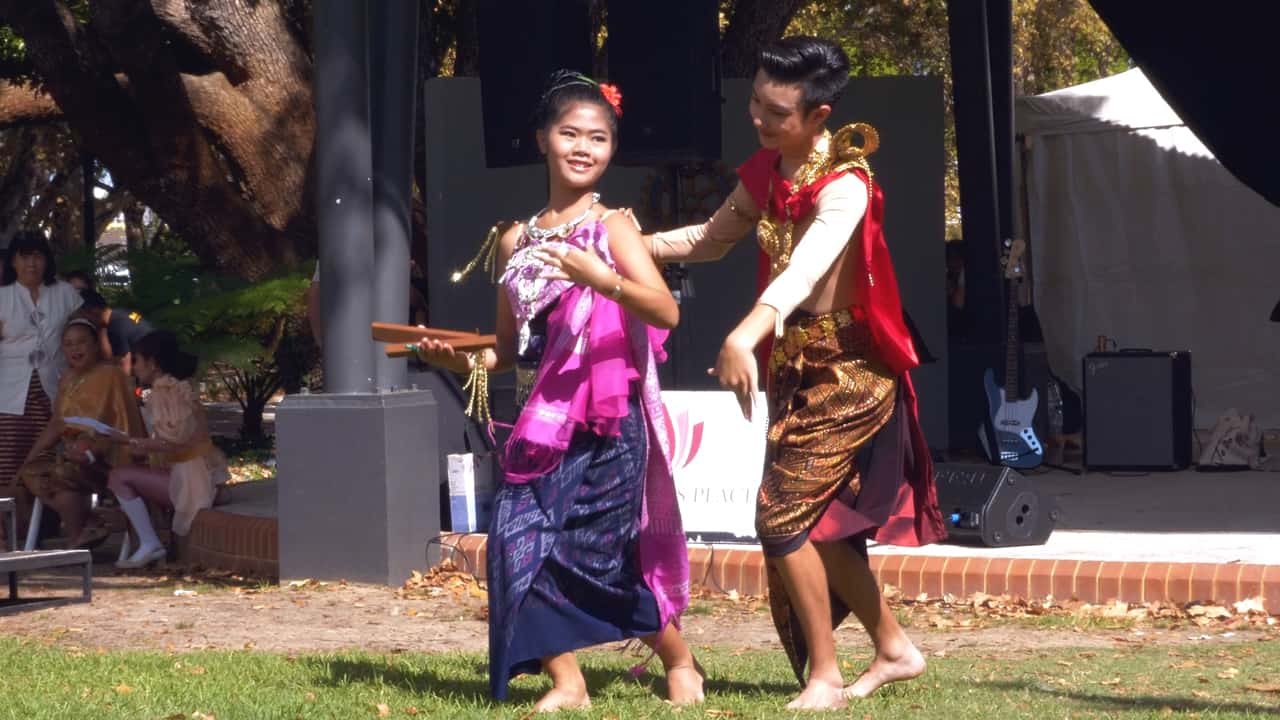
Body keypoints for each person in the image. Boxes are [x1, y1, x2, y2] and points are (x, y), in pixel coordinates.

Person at [645, 37, 946, 710]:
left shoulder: (846, 184)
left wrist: (746, 332)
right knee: (818, 521)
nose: (758, 117)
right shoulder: (768, 172)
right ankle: (895, 650)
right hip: (797, 370)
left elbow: (805, 269)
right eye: (755, 100)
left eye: (776, 111)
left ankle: (827, 676)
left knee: (780, 517)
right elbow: (707, 238)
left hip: (853, 374)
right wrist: (619, 245)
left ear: (819, 115)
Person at [412, 70, 702, 712]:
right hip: (542, 424)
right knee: (516, 544)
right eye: (569, 133)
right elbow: (501, 348)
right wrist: (452, 359)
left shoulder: (613, 229)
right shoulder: (516, 240)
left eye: (597, 138)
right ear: (542, 139)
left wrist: (600, 277)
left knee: (597, 555)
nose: (582, 147)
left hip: (608, 422)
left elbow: (666, 313)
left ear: (610, 151)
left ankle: (680, 660)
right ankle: (567, 680)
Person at [18, 317, 144, 547]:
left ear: (95, 344)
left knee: (63, 472)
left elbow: (124, 424)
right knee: (32, 471)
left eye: (81, 342)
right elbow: (58, 423)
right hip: (71, 454)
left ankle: (82, 531)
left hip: (104, 455)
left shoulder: (111, 375)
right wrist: (31, 456)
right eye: (68, 344)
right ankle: (87, 526)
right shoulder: (67, 378)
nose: (75, 349)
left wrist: (93, 447)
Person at [107, 330, 229, 568]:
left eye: (137, 361)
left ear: (152, 363)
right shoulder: (176, 388)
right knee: (131, 472)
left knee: (118, 477)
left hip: (191, 477)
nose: (133, 368)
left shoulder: (164, 392)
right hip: (199, 470)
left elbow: (175, 441)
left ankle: (149, 542)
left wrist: (131, 442)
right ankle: (153, 542)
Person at [0, 231, 85, 547]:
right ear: (13, 261)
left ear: (47, 259)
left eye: (37, 255)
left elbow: (83, 338)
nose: (31, 263)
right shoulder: (3, 296)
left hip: (55, 390)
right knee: (8, 465)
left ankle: (44, 531)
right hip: (9, 393)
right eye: (24, 256)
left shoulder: (64, 293)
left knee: (46, 463)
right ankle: (8, 537)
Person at [77, 288, 155, 376]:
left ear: (93, 311)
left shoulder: (115, 326)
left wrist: (122, 387)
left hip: (153, 363)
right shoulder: (120, 313)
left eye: (85, 317)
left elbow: (125, 362)